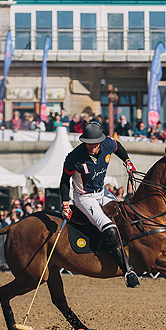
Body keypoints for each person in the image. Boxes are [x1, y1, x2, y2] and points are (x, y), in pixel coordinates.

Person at [59, 121, 139, 287]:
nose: (92, 147)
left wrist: (127, 161)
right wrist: (65, 203)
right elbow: (64, 180)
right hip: (84, 197)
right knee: (108, 228)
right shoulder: (74, 157)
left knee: (124, 216)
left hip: (102, 192)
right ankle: (128, 270)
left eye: (94, 143)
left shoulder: (108, 144)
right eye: (88, 143)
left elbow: (118, 147)